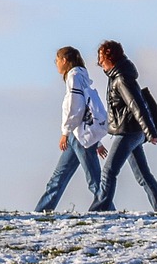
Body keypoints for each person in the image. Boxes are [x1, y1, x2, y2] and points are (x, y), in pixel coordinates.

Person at [89, 39, 157, 212]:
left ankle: (98, 211)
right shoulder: (118, 75)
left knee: (109, 172)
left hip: (128, 131)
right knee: (143, 175)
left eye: (101, 60)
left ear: (111, 58)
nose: (100, 64)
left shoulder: (121, 78)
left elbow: (137, 105)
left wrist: (150, 132)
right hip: (132, 130)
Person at [35, 46, 108, 212]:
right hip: (80, 136)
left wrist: (65, 132)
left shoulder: (74, 77)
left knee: (94, 181)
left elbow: (76, 108)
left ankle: (108, 209)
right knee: (58, 178)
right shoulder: (81, 76)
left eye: (57, 60)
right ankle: (41, 212)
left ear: (64, 60)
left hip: (78, 136)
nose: (56, 64)